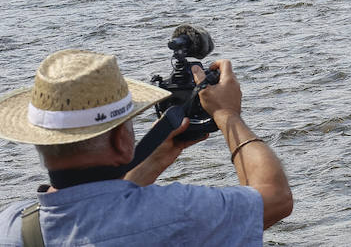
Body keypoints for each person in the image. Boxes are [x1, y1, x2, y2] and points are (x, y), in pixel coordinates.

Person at [0, 49, 291, 245]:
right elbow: (275, 198)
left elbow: (95, 212)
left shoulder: (13, 227)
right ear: (121, 140)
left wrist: (151, 161)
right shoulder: (178, 212)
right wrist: (227, 114)